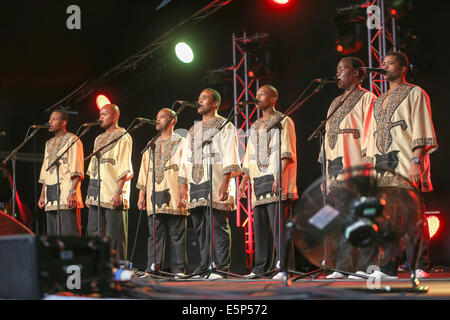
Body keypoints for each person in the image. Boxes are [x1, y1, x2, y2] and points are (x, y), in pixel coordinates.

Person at [365, 51, 438, 279]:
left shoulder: (415, 93)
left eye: (390, 63)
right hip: (382, 167)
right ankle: (387, 268)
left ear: (403, 67)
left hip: (406, 163)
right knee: (386, 220)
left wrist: (416, 161)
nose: (384, 66)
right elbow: (371, 137)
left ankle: (419, 265)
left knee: (412, 218)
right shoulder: (378, 101)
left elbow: (421, 128)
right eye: (383, 63)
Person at [318, 57, 377, 279]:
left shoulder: (367, 98)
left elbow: (371, 131)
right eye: (337, 69)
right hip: (334, 166)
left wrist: (366, 162)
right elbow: (326, 140)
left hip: (354, 164)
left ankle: (360, 266)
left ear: (357, 73)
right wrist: (325, 176)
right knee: (338, 217)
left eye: (343, 69)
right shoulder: (334, 103)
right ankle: (342, 266)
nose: (338, 73)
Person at [178, 88, 241, 279]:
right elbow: (185, 159)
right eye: (198, 98)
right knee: (200, 228)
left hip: (216, 181)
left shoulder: (225, 125)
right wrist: (183, 186)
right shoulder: (192, 130)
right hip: (196, 183)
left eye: (204, 98)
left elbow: (231, 153)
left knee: (217, 225)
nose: (199, 100)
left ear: (215, 104)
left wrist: (226, 181)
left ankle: (221, 268)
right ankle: (205, 267)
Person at [239, 84, 298, 280]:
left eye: (262, 94)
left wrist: (279, 176)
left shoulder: (284, 120)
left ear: (273, 98)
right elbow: (250, 156)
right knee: (260, 228)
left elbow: (286, 151)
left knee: (278, 226)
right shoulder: (255, 125)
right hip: (258, 181)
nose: (257, 97)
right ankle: (260, 267)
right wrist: (243, 180)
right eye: (256, 94)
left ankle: (282, 267)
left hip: (275, 178)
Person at [137, 108, 188, 277]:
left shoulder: (181, 142)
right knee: (154, 235)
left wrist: (183, 191)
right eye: (156, 117)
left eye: (161, 117)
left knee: (176, 233)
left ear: (172, 120)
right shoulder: (151, 144)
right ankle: (153, 267)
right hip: (153, 194)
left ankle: (179, 269)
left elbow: (185, 167)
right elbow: (144, 170)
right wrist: (141, 195)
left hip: (174, 192)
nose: (157, 120)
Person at [85, 104, 133, 261]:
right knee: (94, 235)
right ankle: (99, 270)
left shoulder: (123, 136)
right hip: (96, 194)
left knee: (115, 238)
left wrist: (119, 191)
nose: (100, 117)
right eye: (100, 114)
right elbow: (92, 167)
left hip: (113, 193)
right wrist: (89, 194)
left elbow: (124, 165)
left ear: (115, 116)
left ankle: (118, 271)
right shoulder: (99, 139)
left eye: (104, 114)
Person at [38, 109, 84, 236]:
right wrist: (43, 195)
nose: (50, 121)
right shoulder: (49, 143)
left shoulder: (73, 140)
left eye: (54, 119)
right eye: (50, 119)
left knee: (69, 234)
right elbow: (45, 172)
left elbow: (77, 169)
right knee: (53, 236)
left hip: (66, 193)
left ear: (63, 122)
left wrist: (72, 192)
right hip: (51, 195)